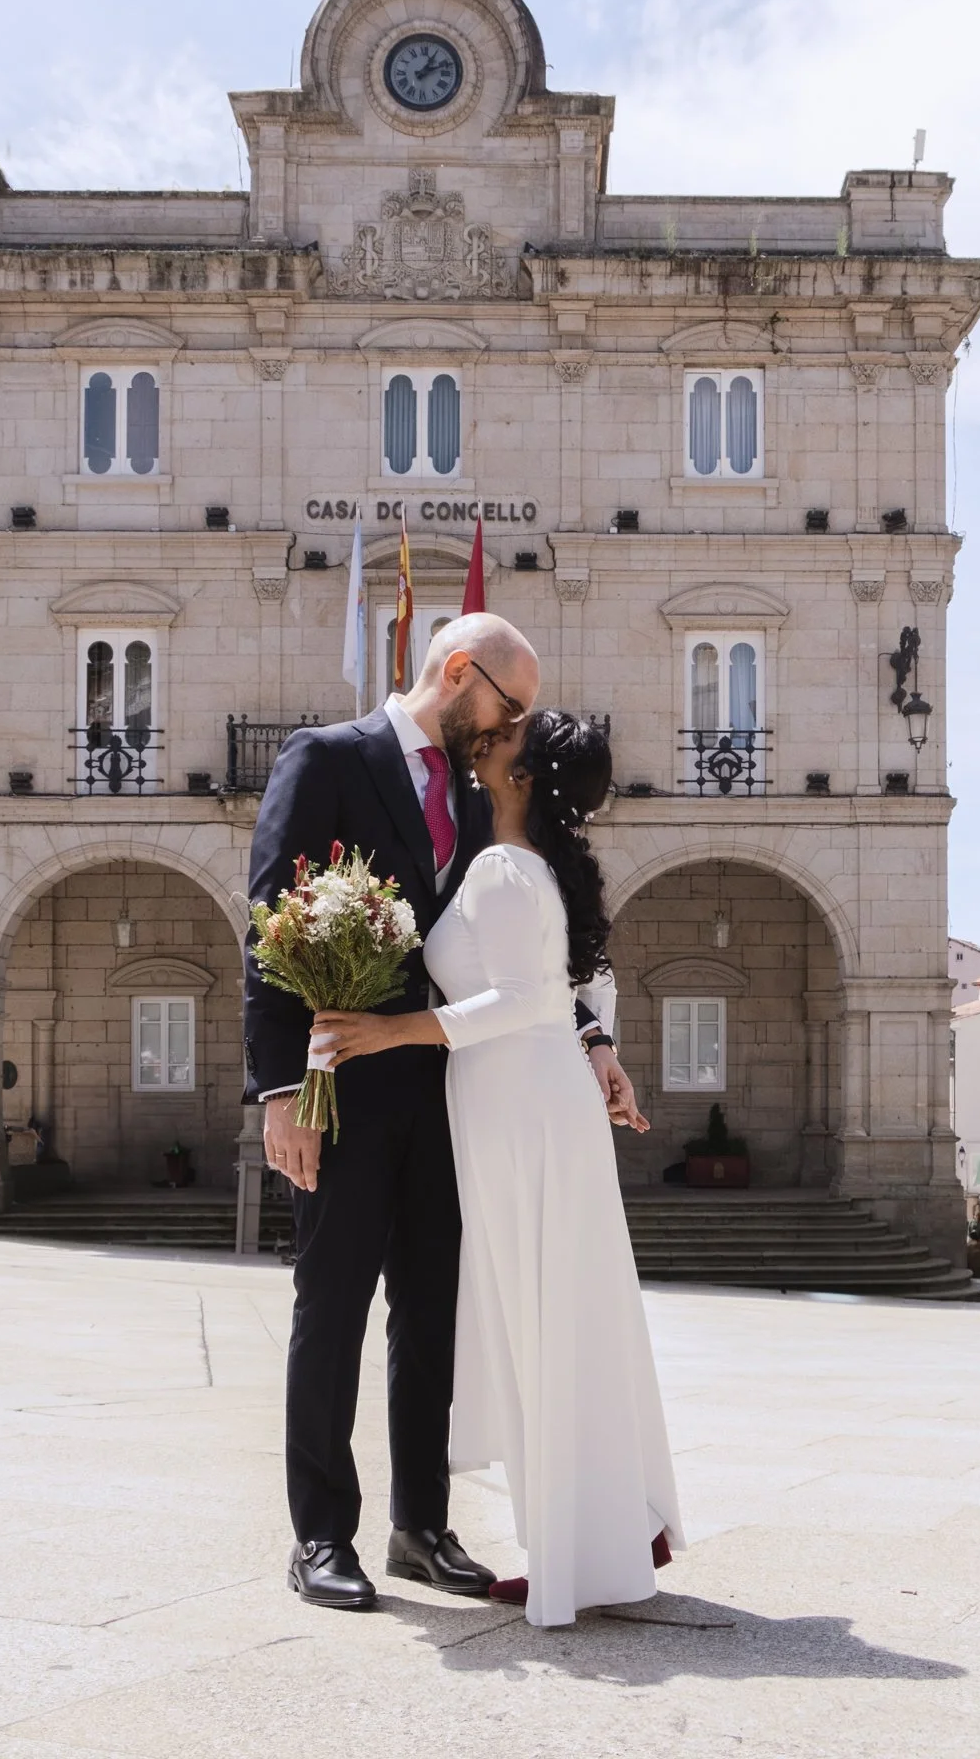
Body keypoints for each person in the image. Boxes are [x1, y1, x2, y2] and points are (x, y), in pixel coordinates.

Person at [244, 620, 643, 1612]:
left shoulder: (479, 795)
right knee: (329, 1309)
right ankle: (320, 1535)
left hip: (451, 1094)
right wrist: (279, 1089)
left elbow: (528, 951)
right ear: (459, 674)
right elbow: (268, 922)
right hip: (340, 1088)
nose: (512, 727)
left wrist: (594, 1042)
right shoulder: (327, 758)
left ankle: (420, 1526)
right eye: (508, 705)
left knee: (430, 1314)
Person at [315, 709, 684, 1628]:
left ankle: (578, 1551)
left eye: (514, 729)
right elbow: (553, 994)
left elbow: (522, 999)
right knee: (548, 1323)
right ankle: (586, 1543)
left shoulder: (503, 868)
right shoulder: (522, 864)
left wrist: (387, 1029)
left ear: (523, 775)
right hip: (518, 1101)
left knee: (544, 1325)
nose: (495, 728)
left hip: (522, 1107)